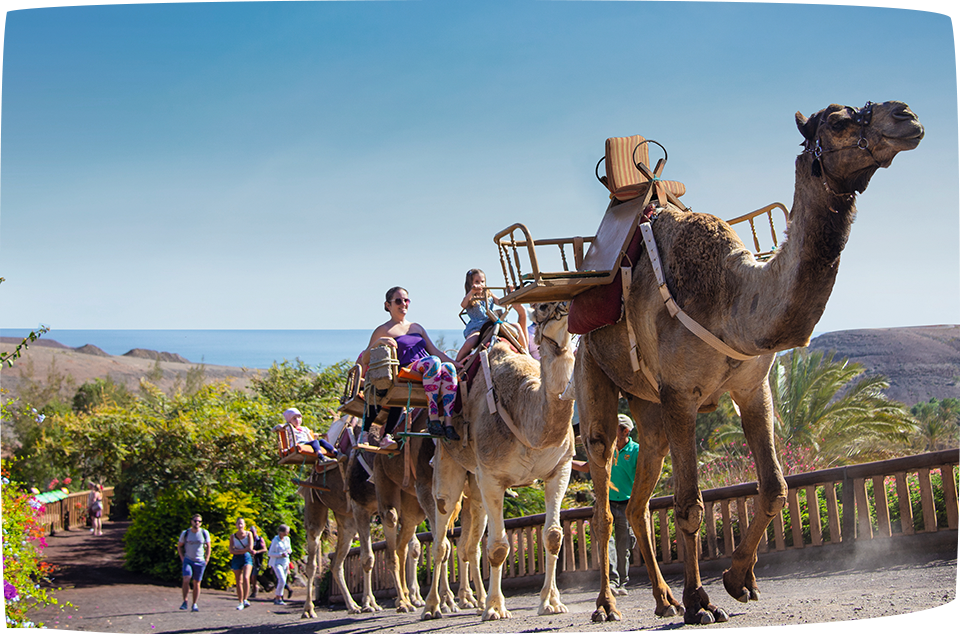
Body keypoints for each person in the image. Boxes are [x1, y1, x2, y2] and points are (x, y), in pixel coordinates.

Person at [361, 286, 461, 442]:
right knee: (433, 362)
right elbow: (365, 358)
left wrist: (457, 363)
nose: (403, 304)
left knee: (448, 368)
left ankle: (448, 424)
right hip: (407, 369)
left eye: (406, 300)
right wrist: (378, 343)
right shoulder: (383, 330)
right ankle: (433, 418)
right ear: (388, 305)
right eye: (398, 301)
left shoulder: (416, 327)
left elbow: (434, 350)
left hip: (428, 367)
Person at [570, 413, 637, 595]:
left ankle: (622, 582)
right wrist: (566, 461)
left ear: (625, 431)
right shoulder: (606, 448)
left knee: (624, 546)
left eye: (614, 427)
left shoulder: (636, 451)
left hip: (626, 504)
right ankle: (613, 582)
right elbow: (586, 467)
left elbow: (642, 477)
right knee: (607, 543)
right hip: (604, 503)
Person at [455, 268, 527, 362]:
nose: (480, 284)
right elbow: (463, 304)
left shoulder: (488, 293)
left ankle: (525, 351)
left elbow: (500, 302)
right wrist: (472, 292)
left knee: (516, 326)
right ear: (470, 284)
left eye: (482, 281)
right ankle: (457, 361)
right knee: (473, 339)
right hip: (477, 326)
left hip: (492, 321)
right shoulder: (470, 297)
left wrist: (511, 294)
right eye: (477, 281)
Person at [177, 514, 211, 612]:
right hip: (188, 559)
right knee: (186, 579)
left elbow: (209, 546)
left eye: (199, 521)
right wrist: (182, 558)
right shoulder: (186, 533)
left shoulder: (204, 533)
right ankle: (185, 601)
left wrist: (207, 559)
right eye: (195, 521)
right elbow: (179, 546)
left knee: (197, 583)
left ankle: (194, 603)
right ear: (191, 521)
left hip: (200, 561)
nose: (197, 523)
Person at [229, 517, 255, 610]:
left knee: (246, 577)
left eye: (241, 524)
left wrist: (238, 550)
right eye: (238, 524)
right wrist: (242, 550)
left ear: (244, 525)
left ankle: (245, 599)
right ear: (236, 525)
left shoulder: (249, 534)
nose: (240, 525)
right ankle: (240, 601)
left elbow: (250, 548)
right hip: (236, 558)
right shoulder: (233, 536)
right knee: (238, 581)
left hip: (246, 557)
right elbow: (231, 550)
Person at [267, 524, 293, 605]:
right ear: (281, 532)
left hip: (285, 562)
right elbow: (270, 553)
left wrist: (288, 551)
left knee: (283, 580)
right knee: (281, 579)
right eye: (286, 532)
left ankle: (279, 598)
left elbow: (290, 549)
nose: (287, 534)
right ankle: (278, 597)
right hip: (277, 562)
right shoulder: (275, 540)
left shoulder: (287, 539)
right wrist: (280, 554)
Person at [248, 524, 267, 600]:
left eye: (253, 532)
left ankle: (254, 590)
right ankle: (255, 587)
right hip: (249, 558)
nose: (252, 533)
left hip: (256, 559)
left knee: (253, 575)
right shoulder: (248, 539)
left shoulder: (259, 539)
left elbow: (264, 549)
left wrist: (257, 552)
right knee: (248, 576)